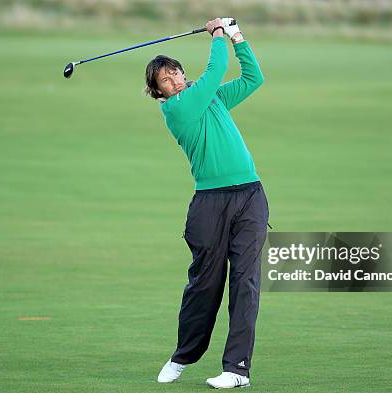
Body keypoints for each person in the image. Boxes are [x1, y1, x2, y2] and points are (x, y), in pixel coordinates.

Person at [144, 17, 269, 389]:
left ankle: (237, 369)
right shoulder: (177, 109)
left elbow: (253, 79)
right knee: (204, 284)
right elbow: (217, 68)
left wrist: (237, 36)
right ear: (159, 92)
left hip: (250, 195)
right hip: (209, 203)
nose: (175, 79)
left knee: (244, 283)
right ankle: (183, 356)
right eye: (166, 80)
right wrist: (217, 34)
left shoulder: (209, 95)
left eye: (176, 72)